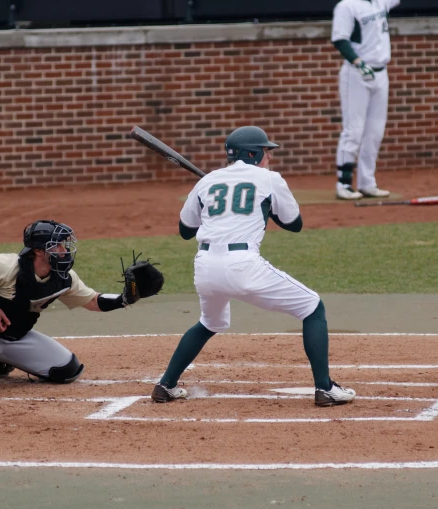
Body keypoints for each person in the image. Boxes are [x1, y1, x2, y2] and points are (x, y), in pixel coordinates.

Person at [151, 126, 356, 407]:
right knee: (312, 307)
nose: (269, 158)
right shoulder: (269, 179)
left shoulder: (208, 181)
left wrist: (217, 206)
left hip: (205, 267)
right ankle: (325, 389)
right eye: (266, 152)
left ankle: (165, 385)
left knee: (210, 322)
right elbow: (294, 224)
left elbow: (186, 231)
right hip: (243, 265)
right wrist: (264, 207)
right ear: (253, 153)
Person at [0, 219, 155, 396]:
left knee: (67, 369)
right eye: (57, 245)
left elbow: (93, 301)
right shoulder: (6, 266)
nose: (64, 250)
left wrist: (124, 299)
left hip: (11, 337)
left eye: (64, 245)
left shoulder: (64, 279)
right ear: (38, 250)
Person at [331, 0, 401, 200]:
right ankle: (344, 184)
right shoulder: (348, 5)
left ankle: (367, 182)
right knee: (354, 130)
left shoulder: (381, 2)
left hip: (381, 72)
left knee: (375, 132)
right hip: (357, 73)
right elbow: (340, 39)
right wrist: (358, 62)